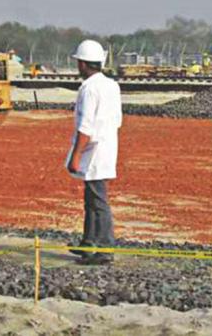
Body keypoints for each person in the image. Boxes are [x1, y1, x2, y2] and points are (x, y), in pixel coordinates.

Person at [66, 39, 122, 265]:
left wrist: (76, 155)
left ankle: (105, 248)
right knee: (92, 197)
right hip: (107, 145)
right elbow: (117, 120)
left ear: (82, 64)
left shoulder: (89, 89)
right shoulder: (111, 85)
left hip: (94, 150)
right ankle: (88, 242)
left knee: (98, 200)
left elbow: (85, 126)